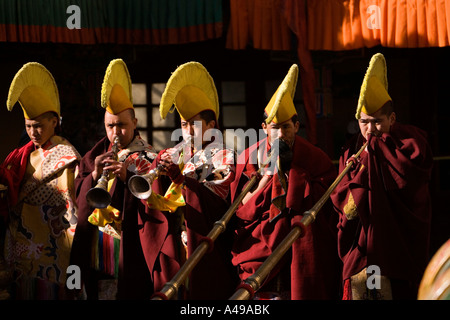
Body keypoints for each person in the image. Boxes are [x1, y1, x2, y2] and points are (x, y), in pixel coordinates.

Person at [230, 64, 341, 300]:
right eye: (275, 128)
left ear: (297, 126)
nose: (281, 135)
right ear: (264, 129)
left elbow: (329, 205)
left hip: (301, 249)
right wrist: (267, 181)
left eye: (287, 127)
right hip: (258, 252)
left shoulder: (313, 158)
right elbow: (240, 209)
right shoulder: (249, 157)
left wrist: (296, 178)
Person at [330, 53, 433, 300]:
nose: (371, 129)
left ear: (392, 119)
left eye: (378, 122)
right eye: (365, 122)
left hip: (395, 247)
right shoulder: (352, 151)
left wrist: (375, 155)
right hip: (362, 248)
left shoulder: (409, 146)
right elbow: (340, 196)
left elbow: (411, 187)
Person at [144, 61, 239, 299]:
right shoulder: (177, 152)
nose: (188, 132)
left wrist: (182, 180)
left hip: (203, 242)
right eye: (184, 125)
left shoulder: (224, 155)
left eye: (194, 125)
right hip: (175, 240)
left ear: (211, 125)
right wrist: (160, 168)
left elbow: (217, 197)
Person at [70, 59, 158, 299]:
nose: (115, 133)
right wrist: (95, 175)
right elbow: (77, 188)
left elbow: (155, 203)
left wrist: (127, 177)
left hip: (128, 244)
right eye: (110, 126)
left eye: (121, 125)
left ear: (135, 124)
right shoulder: (96, 154)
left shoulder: (148, 156)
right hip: (96, 244)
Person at [0, 62, 81, 299]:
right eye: (28, 126)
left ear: (54, 122)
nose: (34, 132)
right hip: (22, 237)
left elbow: (69, 198)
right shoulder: (22, 154)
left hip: (52, 238)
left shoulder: (65, 154)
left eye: (39, 126)